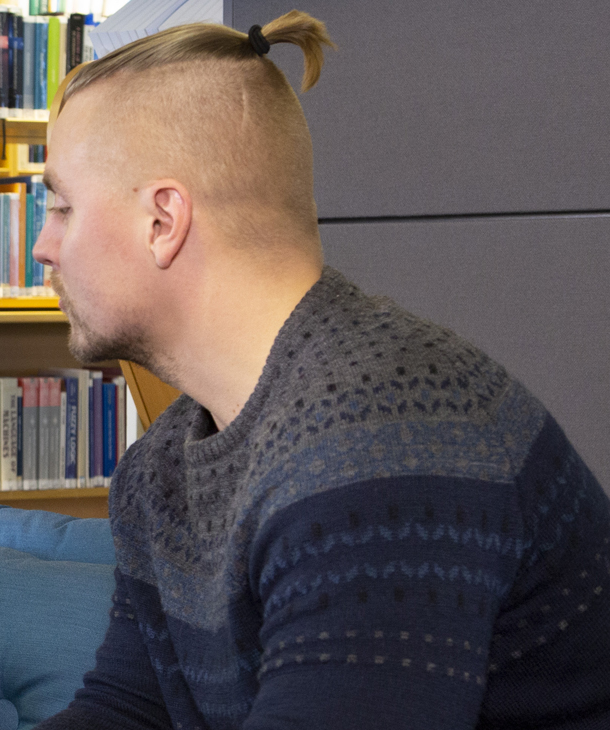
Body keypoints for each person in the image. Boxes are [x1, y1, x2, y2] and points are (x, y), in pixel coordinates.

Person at [30, 11, 610, 729]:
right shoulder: (163, 472)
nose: (42, 247)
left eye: (61, 206)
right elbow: (126, 711)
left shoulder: (384, 450)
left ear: (163, 221)